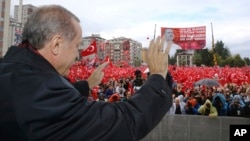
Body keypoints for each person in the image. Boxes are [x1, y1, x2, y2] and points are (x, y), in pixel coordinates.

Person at [0, 5, 173, 141]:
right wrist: (157, 77)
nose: (78, 54)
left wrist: (87, 84)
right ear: (56, 44)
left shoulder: (13, 71)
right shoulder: (40, 92)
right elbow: (123, 122)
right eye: (76, 46)